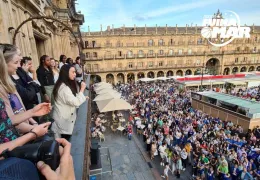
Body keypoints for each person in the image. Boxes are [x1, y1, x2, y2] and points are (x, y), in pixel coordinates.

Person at [0, 43, 43, 132]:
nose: (19, 66)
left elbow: (21, 107)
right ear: (3, 64)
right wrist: (34, 130)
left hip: (26, 127)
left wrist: (33, 122)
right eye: (16, 62)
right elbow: (10, 120)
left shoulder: (9, 82)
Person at [51, 64, 88, 141]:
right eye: (73, 72)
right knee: (66, 143)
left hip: (64, 120)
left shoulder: (62, 85)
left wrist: (83, 97)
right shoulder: (64, 88)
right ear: (66, 73)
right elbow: (75, 102)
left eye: (75, 72)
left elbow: (71, 98)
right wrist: (82, 89)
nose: (75, 74)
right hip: (64, 122)